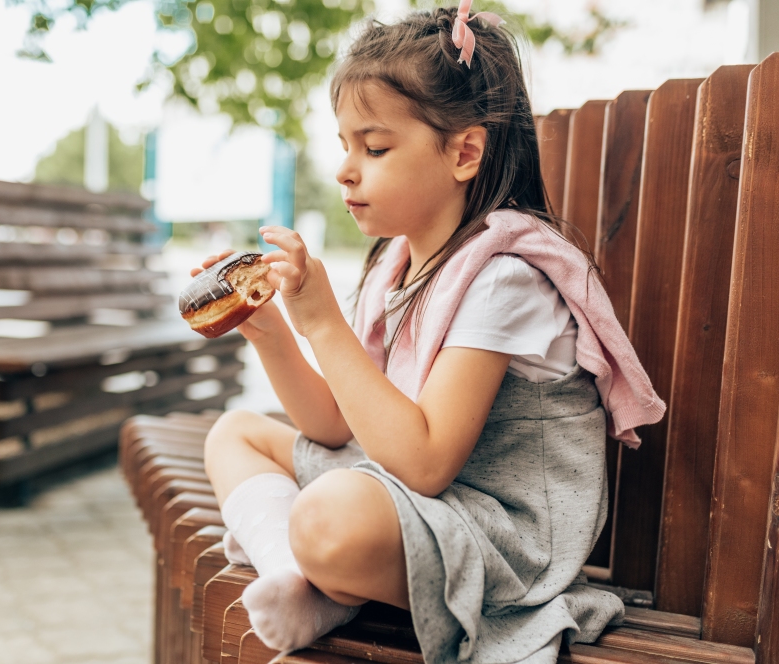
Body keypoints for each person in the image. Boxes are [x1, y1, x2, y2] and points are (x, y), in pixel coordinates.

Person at [192, 3, 665, 662]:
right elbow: (335, 426)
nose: (346, 169)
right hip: (424, 501)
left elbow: (425, 462)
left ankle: (321, 569)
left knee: (330, 518)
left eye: (375, 146)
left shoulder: (504, 278)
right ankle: (298, 580)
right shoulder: (401, 266)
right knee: (234, 433)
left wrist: (324, 321)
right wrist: (272, 331)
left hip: (500, 531)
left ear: (464, 151)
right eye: (345, 145)